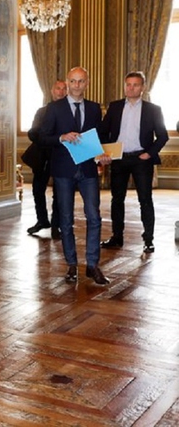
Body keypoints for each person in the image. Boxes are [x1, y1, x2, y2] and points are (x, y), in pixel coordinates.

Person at [39, 66, 111, 286]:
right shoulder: (54, 108)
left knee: (94, 217)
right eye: (73, 81)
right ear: (67, 83)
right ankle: (71, 264)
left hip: (88, 169)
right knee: (66, 220)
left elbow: (96, 137)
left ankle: (92, 265)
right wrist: (62, 137)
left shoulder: (93, 109)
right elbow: (42, 137)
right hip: (63, 170)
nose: (77, 85)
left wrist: (102, 154)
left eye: (81, 81)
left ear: (87, 83)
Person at [100, 71, 169, 253]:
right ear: (124, 86)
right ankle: (117, 237)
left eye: (135, 85)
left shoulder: (153, 109)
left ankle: (148, 239)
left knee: (145, 200)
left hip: (141, 159)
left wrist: (149, 153)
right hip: (119, 159)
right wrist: (104, 153)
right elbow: (103, 132)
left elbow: (163, 136)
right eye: (128, 84)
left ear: (143, 88)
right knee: (117, 199)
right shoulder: (114, 107)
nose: (131, 88)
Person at [24, 80, 67, 238]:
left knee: (60, 192)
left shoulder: (69, 111)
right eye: (58, 88)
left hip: (61, 156)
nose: (61, 92)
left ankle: (57, 225)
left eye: (64, 89)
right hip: (42, 156)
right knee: (37, 189)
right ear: (52, 90)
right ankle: (42, 220)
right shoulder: (42, 111)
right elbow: (34, 132)